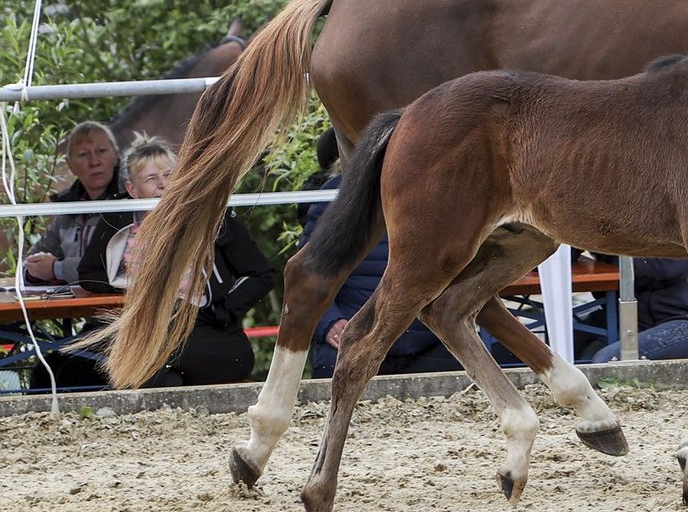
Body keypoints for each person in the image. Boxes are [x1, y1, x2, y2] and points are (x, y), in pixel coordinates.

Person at [76, 135, 275, 387]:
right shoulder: (116, 221)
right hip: (146, 327)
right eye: (151, 178)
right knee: (153, 376)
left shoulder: (214, 219)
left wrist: (221, 311)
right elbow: (89, 275)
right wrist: (135, 286)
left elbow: (261, 275)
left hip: (206, 327)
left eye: (169, 176)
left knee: (155, 369)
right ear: (132, 190)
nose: (162, 185)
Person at [302, 173, 461, 378]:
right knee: (329, 374)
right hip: (355, 334)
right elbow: (309, 273)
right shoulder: (335, 193)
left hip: (429, 338)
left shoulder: (441, 187)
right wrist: (329, 321)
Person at [22, 121, 121, 285]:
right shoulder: (68, 209)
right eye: (83, 154)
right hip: (72, 307)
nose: (94, 161)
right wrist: (35, 272)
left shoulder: (130, 203)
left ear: (116, 155)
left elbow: (114, 268)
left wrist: (56, 269)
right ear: (70, 165)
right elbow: (28, 264)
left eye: (101, 151)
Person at [587, 255, 688, 363]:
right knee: (572, 351)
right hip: (629, 319)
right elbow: (570, 254)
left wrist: (610, 251)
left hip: (685, 321)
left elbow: (663, 267)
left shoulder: (686, 237)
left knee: (605, 361)